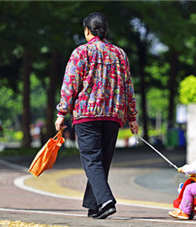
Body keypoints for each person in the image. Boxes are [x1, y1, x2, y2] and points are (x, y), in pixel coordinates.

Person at [55, 12, 139, 219]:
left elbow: (70, 85)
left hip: (87, 114)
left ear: (87, 30)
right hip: (113, 114)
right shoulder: (120, 54)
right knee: (102, 161)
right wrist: (132, 117)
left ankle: (106, 201)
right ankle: (94, 205)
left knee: (91, 160)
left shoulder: (81, 53)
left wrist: (61, 113)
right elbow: (128, 87)